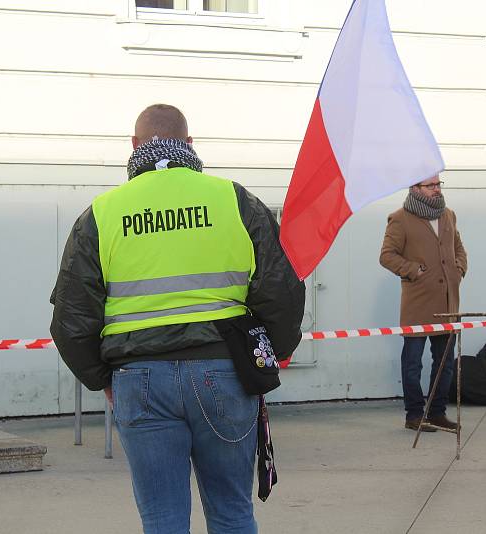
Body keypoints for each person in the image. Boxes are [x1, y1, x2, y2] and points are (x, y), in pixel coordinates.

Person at [50, 104, 305, 533]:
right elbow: (281, 288)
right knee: (232, 513)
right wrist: (271, 354)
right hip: (226, 373)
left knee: (163, 521)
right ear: (190, 144)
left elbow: (72, 320)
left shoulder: (102, 214)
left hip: (139, 378)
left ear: (134, 146)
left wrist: (102, 379)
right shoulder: (234, 200)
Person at [379, 175, 467, 432]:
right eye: (431, 185)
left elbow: (459, 248)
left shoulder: (448, 215)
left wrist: (459, 268)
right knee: (413, 363)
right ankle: (414, 415)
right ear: (415, 188)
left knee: (445, 363)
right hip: (417, 304)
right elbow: (386, 256)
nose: (437, 189)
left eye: (439, 184)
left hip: (448, 303)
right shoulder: (400, 218)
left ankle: (437, 412)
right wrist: (413, 270)